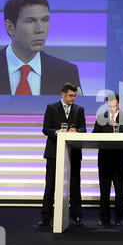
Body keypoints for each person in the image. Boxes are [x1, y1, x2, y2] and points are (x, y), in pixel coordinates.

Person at [38, 82, 86, 227]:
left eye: (75, 96)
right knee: (51, 185)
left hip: (74, 153)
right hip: (54, 152)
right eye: (70, 95)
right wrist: (57, 132)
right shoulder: (51, 108)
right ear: (63, 94)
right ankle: (46, 216)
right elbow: (46, 129)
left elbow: (83, 128)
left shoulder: (79, 109)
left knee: (75, 185)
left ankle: (77, 215)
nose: (73, 98)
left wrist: (76, 132)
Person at [92, 93, 123, 226]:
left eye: (114, 105)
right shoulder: (101, 117)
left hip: (120, 160)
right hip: (104, 159)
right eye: (110, 105)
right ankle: (104, 219)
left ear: (119, 104)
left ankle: (119, 219)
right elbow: (94, 135)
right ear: (107, 104)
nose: (112, 107)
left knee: (120, 192)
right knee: (104, 192)